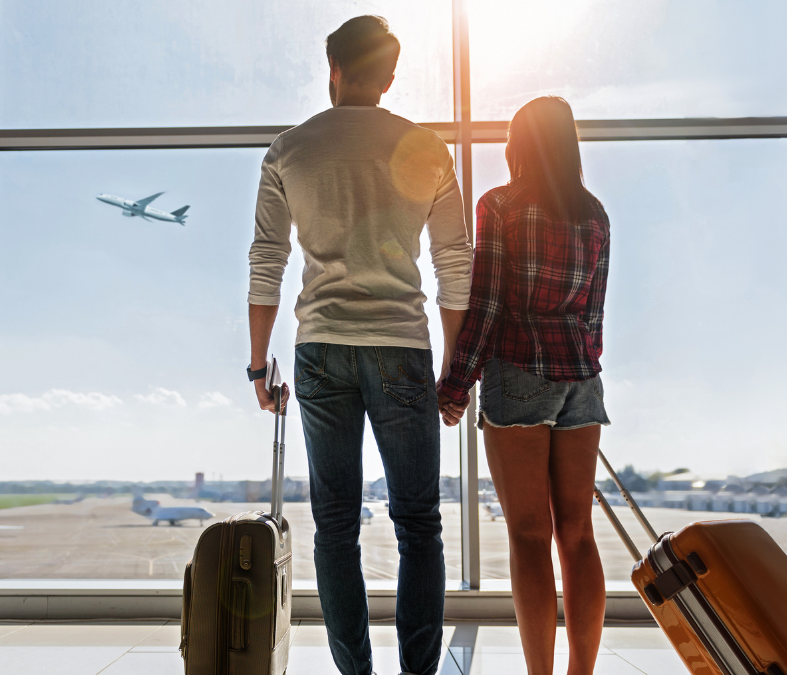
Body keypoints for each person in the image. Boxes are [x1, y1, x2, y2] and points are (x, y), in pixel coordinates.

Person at [246, 15, 471, 675]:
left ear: (333, 69)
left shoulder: (289, 150)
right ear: (390, 78)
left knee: (335, 525)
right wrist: (455, 368)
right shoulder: (427, 147)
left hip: (320, 348)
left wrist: (259, 364)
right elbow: (454, 262)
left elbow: (267, 261)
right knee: (418, 522)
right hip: (402, 345)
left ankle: (355, 672)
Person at [437, 96, 611, 675]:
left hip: (518, 373)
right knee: (578, 536)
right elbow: (595, 315)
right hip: (582, 379)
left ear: (520, 144)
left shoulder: (502, 205)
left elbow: (485, 306)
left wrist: (456, 385)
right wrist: (580, 371)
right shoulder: (595, 214)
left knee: (530, 538)